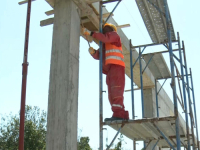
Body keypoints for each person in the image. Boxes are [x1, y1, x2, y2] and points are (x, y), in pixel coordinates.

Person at [85, 23, 129, 121]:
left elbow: (106, 38)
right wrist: (94, 53)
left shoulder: (114, 36)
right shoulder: (106, 45)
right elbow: (100, 56)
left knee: (116, 91)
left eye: (106, 29)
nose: (105, 30)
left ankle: (118, 114)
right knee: (111, 94)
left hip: (117, 67)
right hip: (110, 70)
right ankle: (122, 114)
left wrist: (92, 33)